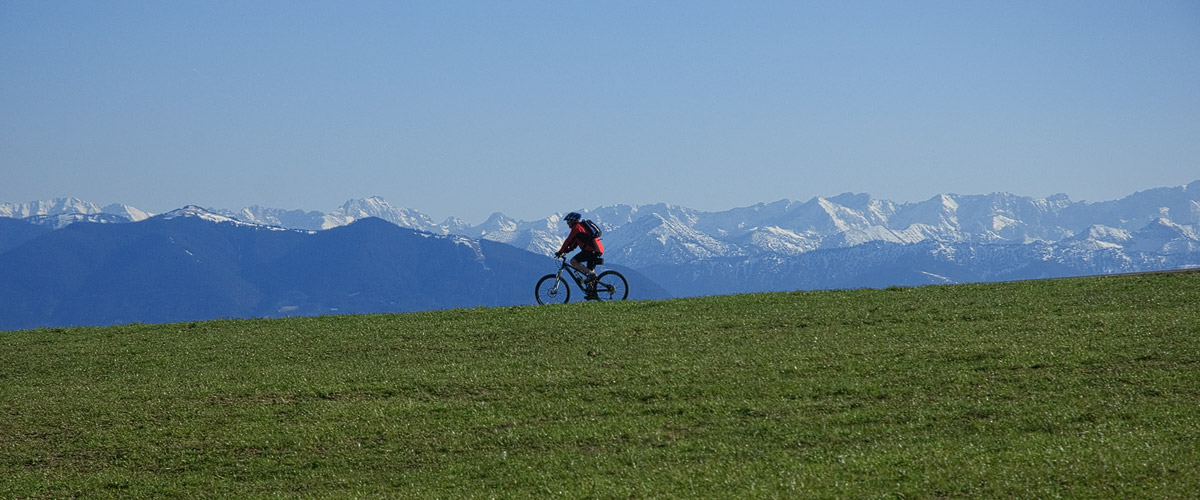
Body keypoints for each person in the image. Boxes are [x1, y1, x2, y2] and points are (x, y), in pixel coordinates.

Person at [554, 212, 605, 295]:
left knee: (573, 261)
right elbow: (573, 244)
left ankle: (591, 275)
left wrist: (560, 252)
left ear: (573, 221)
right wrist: (566, 251)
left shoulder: (576, 228)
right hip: (596, 250)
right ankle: (592, 292)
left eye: (568, 221)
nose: (567, 224)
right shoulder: (581, 228)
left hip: (592, 250)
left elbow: (568, 241)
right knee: (589, 271)